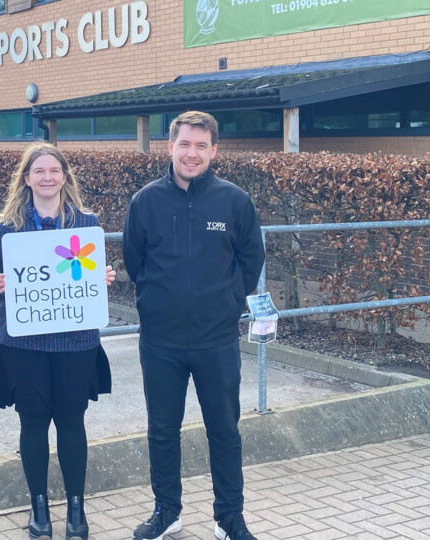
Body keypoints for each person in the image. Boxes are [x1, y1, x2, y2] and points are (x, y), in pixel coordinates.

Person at [122, 111, 265, 540]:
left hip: (216, 341)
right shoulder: (145, 201)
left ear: (214, 151)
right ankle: (167, 511)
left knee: (224, 431)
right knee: (163, 431)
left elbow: (250, 262)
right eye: (185, 144)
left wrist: (225, 306)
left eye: (202, 146)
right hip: (161, 342)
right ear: (170, 147)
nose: (192, 153)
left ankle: (229, 519)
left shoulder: (234, 201)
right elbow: (135, 262)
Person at [0, 142, 115, 540]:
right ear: (26, 178)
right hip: (25, 346)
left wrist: (101, 279)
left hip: (75, 342)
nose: (47, 177)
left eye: (54, 170)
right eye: (39, 171)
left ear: (64, 176)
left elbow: (92, 274)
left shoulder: (86, 224)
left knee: (72, 422)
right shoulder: (8, 227)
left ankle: (76, 508)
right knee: (33, 424)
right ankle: (39, 506)